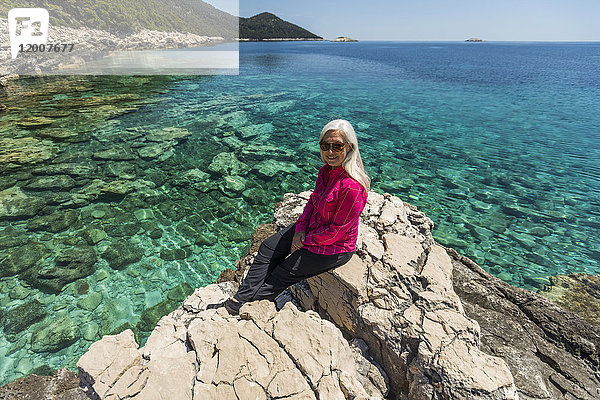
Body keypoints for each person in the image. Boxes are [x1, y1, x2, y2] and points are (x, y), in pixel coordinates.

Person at [216, 119, 370, 315]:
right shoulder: (326, 171)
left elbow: (337, 232)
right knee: (268, 248)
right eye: (325, 146)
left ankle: (247, 308)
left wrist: (305, 241)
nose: (330, 152)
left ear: (349, 147)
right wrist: (299, 229)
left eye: (337, 146)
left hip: (334, 248)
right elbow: (313, 203)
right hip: (312, 229)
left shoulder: (352, 187)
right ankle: (240, 298)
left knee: (282, 273)